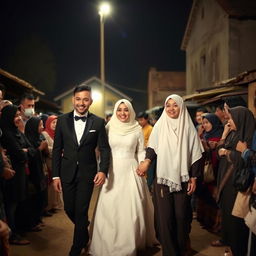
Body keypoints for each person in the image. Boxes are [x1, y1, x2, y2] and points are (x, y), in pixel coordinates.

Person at [137, 94, 204, 256]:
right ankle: (169, 252)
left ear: (181, 107)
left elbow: (196, 154)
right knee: (164, 218)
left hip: (183, 179)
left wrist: (194, 177)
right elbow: (152, 148)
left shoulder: (188, 127)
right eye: (168, 105)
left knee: (182, 216)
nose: (171, 109)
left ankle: (181, 248)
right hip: (163, 178)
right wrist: (146, 162)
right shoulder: (160, 126)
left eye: (175, 105)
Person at [89, 99, 157, 256]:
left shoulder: (136, 129)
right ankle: (108, 242)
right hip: (112, 170)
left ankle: (131, 241)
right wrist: (101, 169)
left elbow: (141, 150)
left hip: (131, 170)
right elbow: (102, 149)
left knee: (132, 207)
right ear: (115, 111)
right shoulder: (108, 127)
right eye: (119, 110)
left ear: (131, 111)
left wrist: (142, 164)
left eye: (126, 110)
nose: (122, 113)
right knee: (110, 207)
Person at [52, 85, 110, 256]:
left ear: (90, 101)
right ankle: (83, 229)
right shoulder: (62, 120)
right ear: (73, 100)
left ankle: (76, 248)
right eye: (78, 99)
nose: (81, 103)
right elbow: (56, 149)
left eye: (85, 99)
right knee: (70, 209)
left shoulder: (98, 122)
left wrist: (103, 170)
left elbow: (105, 149)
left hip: (88, 173)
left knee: (81, 210)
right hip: (66, 172)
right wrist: (55, 175)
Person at [216, 106, 255, 256]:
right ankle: (232, 249)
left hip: (239, 185)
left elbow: (247, 159)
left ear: (240, 119)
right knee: (229, 219)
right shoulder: (234, 134)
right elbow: (220, 151)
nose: (228, 121)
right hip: (229, 183)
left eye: (231, 118)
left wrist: (228, 152)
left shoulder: (250, 136)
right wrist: (225, 135)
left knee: (238, 223)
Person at [42, 115, 63, 213]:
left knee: (56, 183)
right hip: (49, 161)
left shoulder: (58, 133)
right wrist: (59, 150)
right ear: (48, 123)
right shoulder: (45, 134)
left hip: (57, 161)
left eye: (57, 123)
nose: (55, 125)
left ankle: (54, 204)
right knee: (50, 184)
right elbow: (46, 148)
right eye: (53, 122)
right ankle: (48, 206)